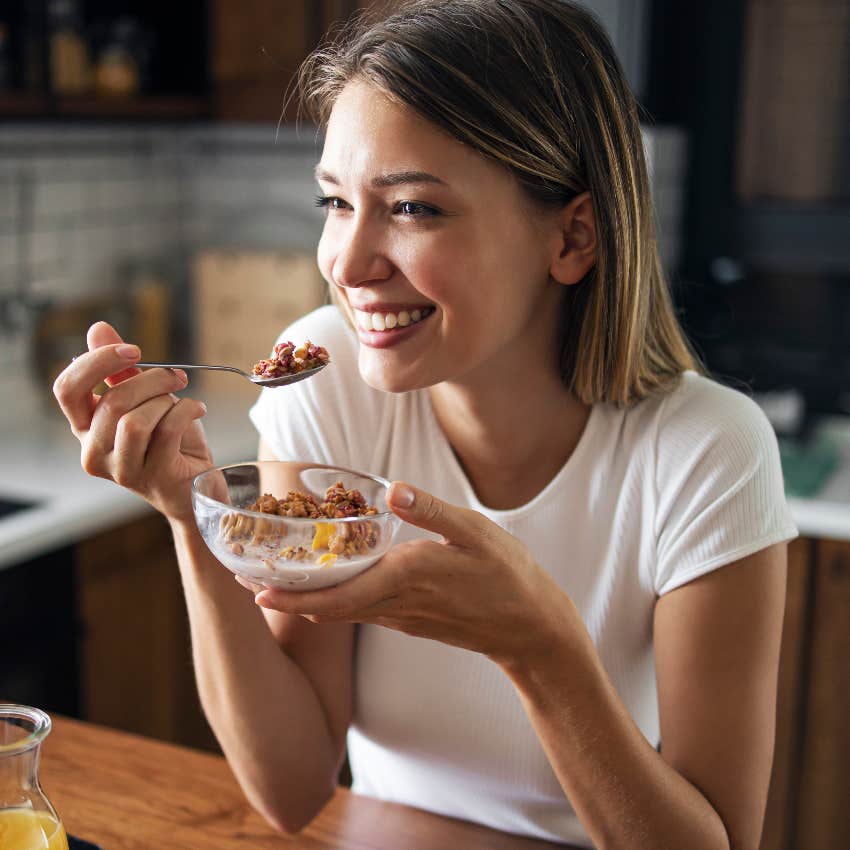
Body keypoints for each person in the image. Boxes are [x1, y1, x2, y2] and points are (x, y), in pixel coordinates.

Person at [53, 1, 798, 848]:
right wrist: (197, 517)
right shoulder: (324, 381)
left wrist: (540, 647)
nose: (347, 262)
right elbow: (291, 790)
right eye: (336, 202)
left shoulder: (709, 451)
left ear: (574, 235)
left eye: (411, 208)